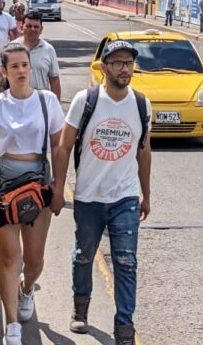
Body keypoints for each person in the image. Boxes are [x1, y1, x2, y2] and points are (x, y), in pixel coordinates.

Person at [0, 43, 64, 345]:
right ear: (4, 72)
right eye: (14, 66)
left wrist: (59, 186)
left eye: (24, 65)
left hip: (37, 183)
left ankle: (27, 289)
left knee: (33, 260)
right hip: (3, 182)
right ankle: (12, 326)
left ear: (30, 68)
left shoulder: (47, 102)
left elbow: (59, 146)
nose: (20, 71)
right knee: (10, 258)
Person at [51, 40, 152, 345]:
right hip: (89, 196)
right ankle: (80, 309)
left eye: (129, 63)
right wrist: (59, 187)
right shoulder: (86, 100)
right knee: (84, 256)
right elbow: (65, 145)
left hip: (125, 197)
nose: (125, 69)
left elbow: (144, 151)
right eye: (118, 63)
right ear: (104, 67)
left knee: (126, 261)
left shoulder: (141, 103)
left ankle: (124, 328)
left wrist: (146, 193)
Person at [0, 11, 61, 100]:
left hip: (40, 104)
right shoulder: (11, 48)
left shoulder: (49, 50)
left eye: (36, 27)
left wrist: (55, 107)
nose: (32, 29)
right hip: (14, 103)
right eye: (28, 26)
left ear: (41, 29)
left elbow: (54, 80)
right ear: (22, 27)